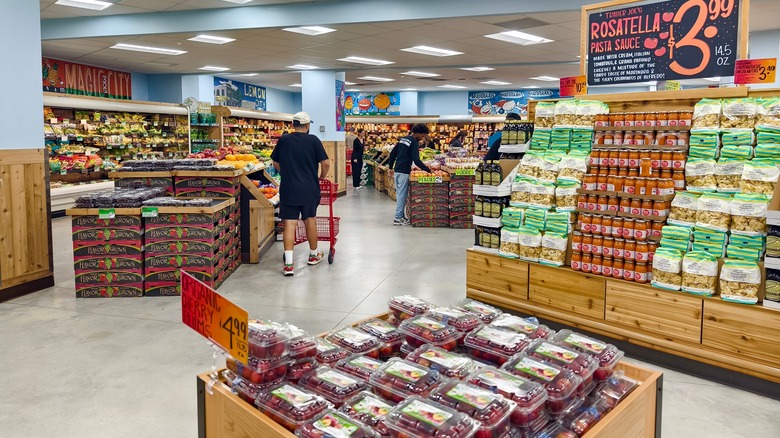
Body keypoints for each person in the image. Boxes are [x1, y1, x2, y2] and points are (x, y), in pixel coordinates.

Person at [271, 112, 330, 277]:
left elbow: (275, 161)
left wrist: (286, 173)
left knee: (289, 224)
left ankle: (289, 264)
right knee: (310, 220)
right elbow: (325, 163)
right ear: (307, 126)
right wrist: (322, 177)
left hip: (289, 187)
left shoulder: (283, 140)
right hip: (309, 188)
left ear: (293, 125)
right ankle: (313, 255)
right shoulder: (313, 141)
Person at [387, 123, 431, 226]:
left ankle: (401, 216)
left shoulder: (403, 139)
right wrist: (427, 170)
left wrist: (390, 166)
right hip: (404, 171)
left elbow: (393, 153)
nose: (422, 138)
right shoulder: (414, 142)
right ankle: (397, 218)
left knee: (400, 194)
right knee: (402, 195)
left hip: (397, 170)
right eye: (423, 135)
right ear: (418, 133)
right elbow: (416, 160)